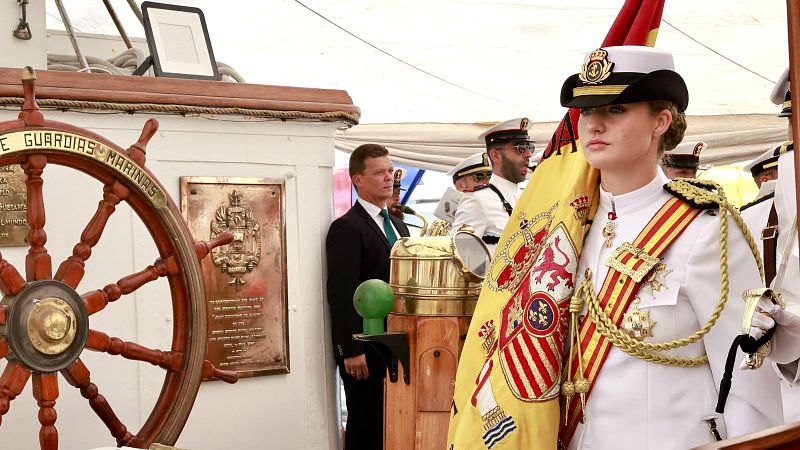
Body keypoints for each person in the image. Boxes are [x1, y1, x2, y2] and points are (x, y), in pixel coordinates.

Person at [557, 45, 787, 449]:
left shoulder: (704, 229)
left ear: (661, 121)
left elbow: (747, 379)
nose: (594, 124)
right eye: (587, 110)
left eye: (616, 110)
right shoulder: (566, 226)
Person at [325, 143, 410, 450]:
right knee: (367, 426)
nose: (389, 178)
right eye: (379, 172)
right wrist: (350, 350)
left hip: (399, 344)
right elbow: (340, 293)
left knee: (396, 425)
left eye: (390, 171)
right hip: (366, 349)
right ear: (358, 180)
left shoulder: (399, 226)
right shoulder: (347, 228)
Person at [450, 118, 533, 255]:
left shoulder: (525, 196)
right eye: (520, 149)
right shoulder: (477, 200)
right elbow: (458, 256)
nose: (528, 154)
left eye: (530, 148)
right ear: (495, 155)